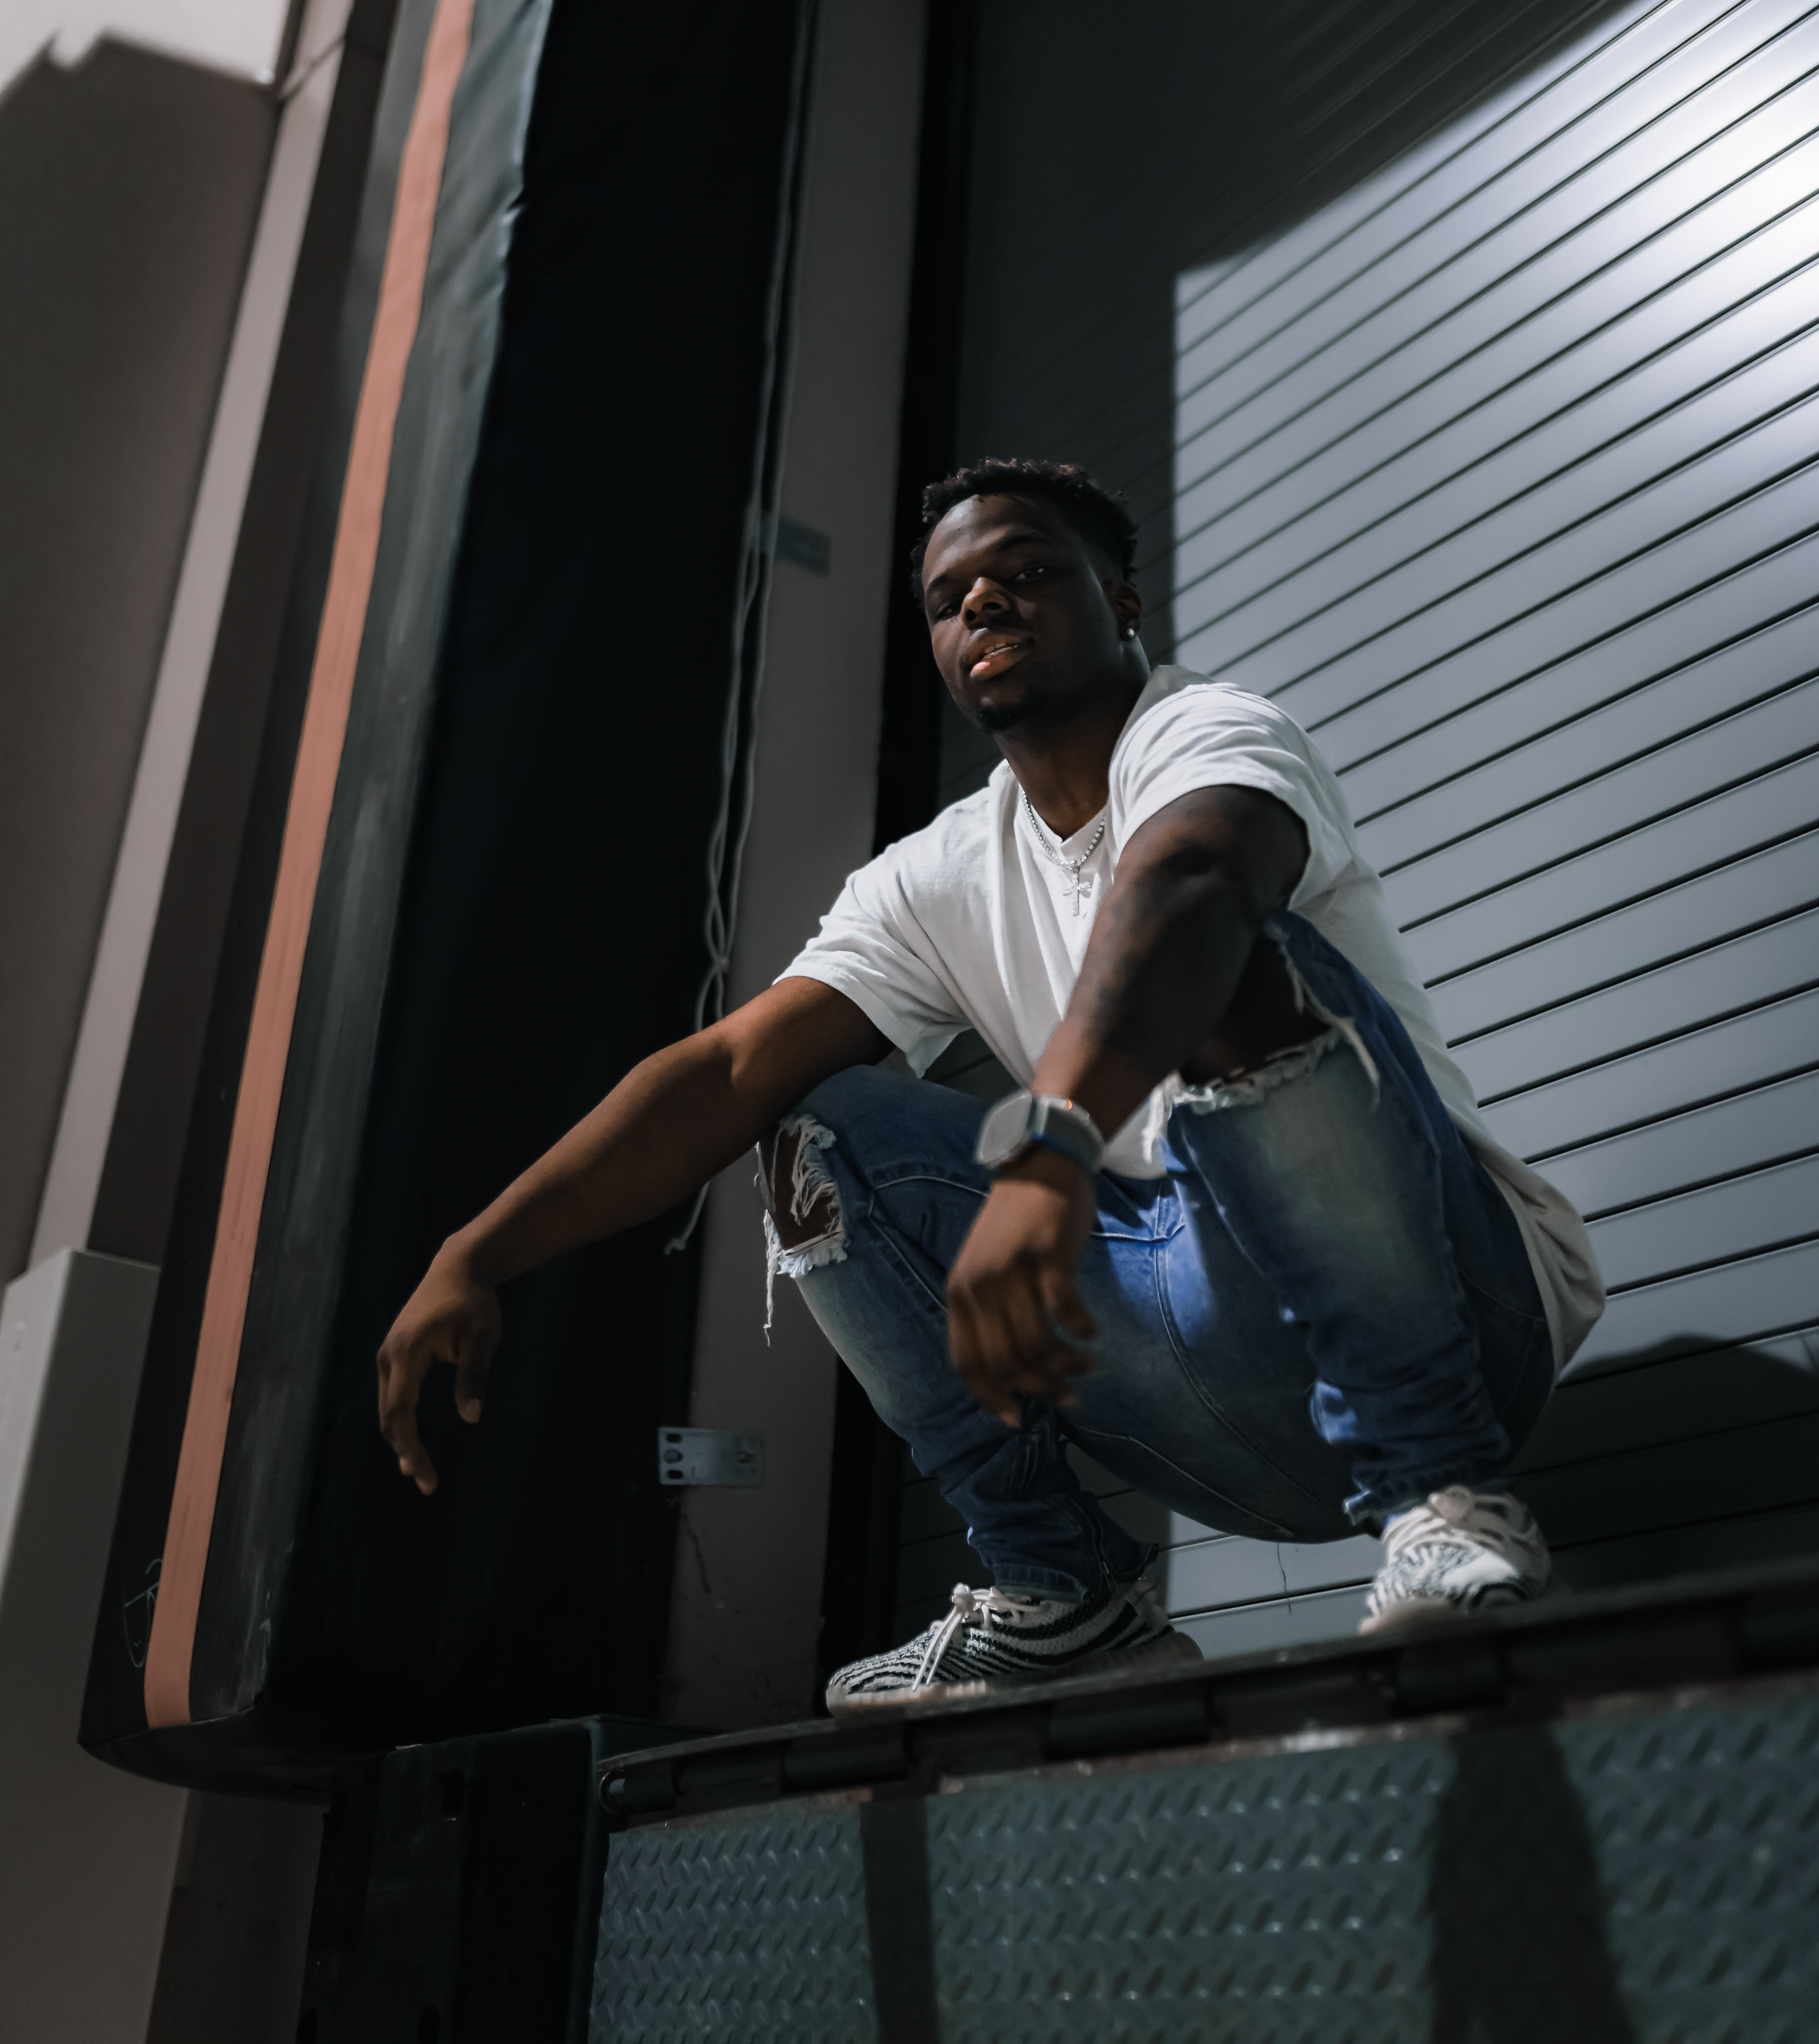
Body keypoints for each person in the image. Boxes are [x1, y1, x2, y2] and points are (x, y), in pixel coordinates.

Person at [377, 457, 1603, 1714]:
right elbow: (728, 1069)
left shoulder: (1208, 730)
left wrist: (1048, 1147)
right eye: (949, 597)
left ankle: (1447, 1500)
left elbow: (1192, 885)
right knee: (814, 1130)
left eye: (1026, 570)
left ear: (1121, 601)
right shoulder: (941, 871)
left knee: (1236, 960)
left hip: (1458, 1317)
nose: (983, 604)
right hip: (1208, 1366)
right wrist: (477, 1253)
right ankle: (1062, 1597)